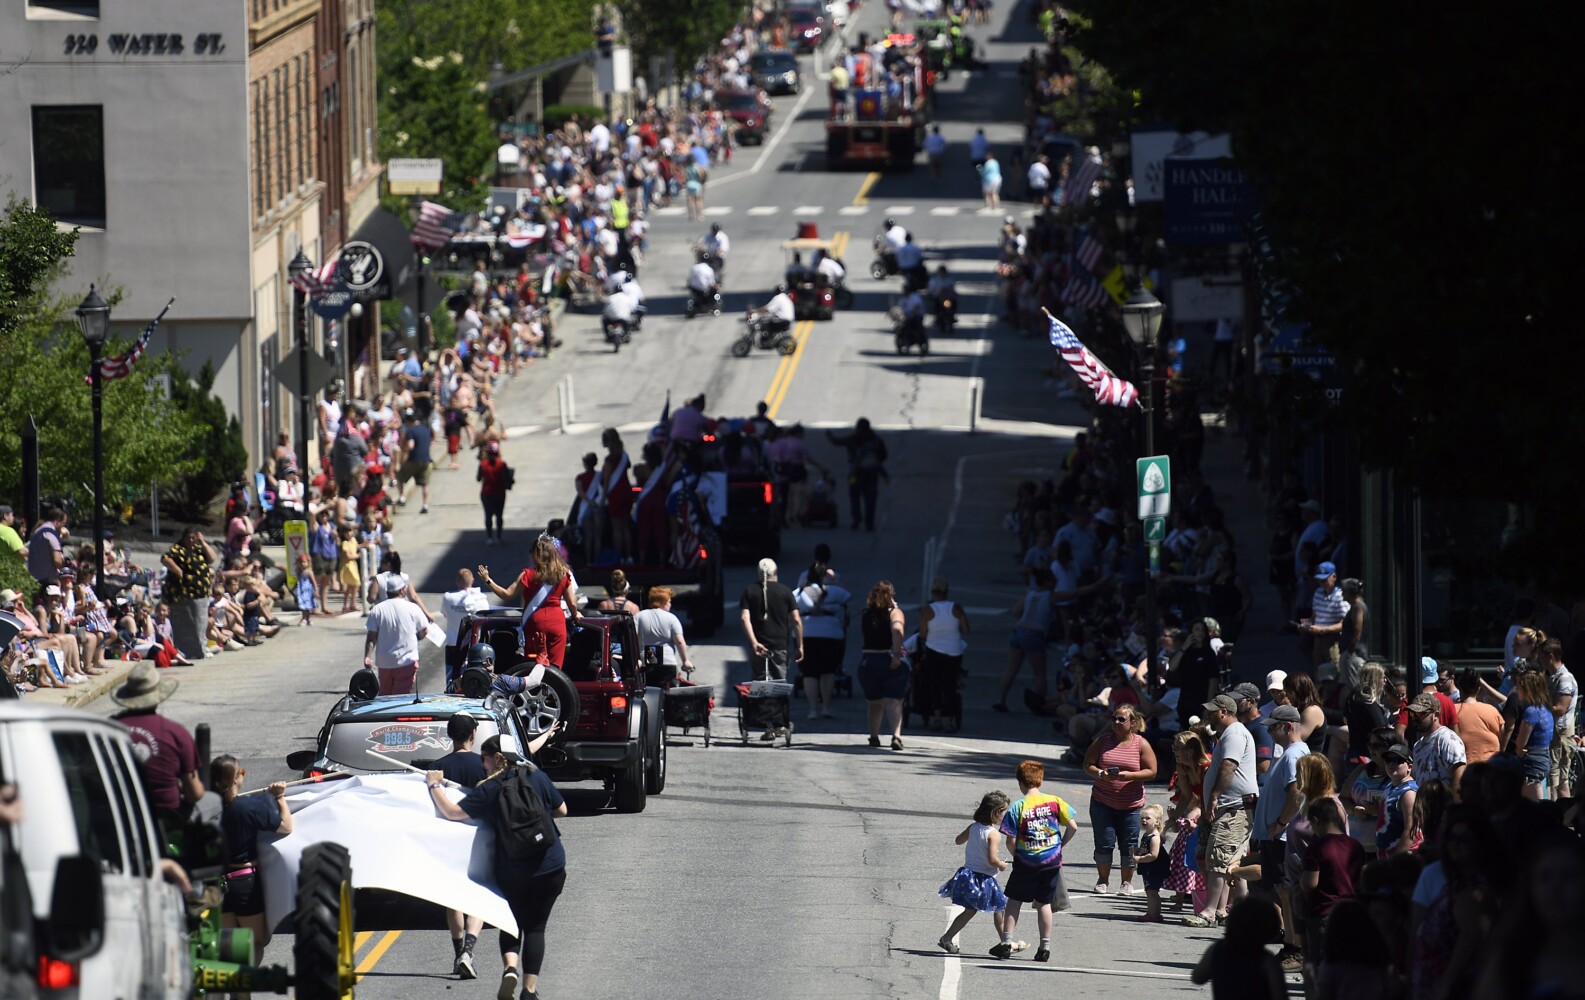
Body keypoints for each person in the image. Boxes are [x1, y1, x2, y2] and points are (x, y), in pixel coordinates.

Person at [426, 734, 568, 1000]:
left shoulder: (489, 788)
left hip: (513, 870)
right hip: (550, 865)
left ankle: (510, 969)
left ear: (497, 758)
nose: (482, 764)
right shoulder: (535, 775)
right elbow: (562, 810)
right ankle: (529, 990)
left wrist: (434, 785)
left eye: (485, 758)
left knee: (511, 923)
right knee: (536, 928)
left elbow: (452, 813)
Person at [208, 755, 291, 964]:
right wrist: (280, 797)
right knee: (256, 941)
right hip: (244, 881)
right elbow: (286, 827)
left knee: (228, 942)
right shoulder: (248, 807)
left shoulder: (208, 810)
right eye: (241, 773)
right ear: (236, 778)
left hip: (217, 882)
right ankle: (242, 988)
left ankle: (233, 988)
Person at [993, 760, 1078, 964]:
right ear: (1041, 780)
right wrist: (1058, 846)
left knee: (1014, 900)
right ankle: (1044, 947)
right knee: (1044, 903)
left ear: (1021, 783)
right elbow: (1073, 826)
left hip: (1026, 861)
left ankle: (1006, 942)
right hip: (1051, 861)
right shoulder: (1055, 801)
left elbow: (1010, 839)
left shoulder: (1018, 807)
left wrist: (1017, 855)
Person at [1185, 694, 1257, 927]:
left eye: (1212, 711)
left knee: (1221, 859)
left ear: (1224, 712)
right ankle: (1228, 911)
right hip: (1224, 808)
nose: (1208, 715)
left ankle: (1210, 912)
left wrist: (1214, 796)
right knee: (1218, 859)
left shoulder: (1235, 734)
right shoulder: (1230, 734)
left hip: (1233, 808)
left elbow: (1229, 766)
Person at [429, 715, 488, 978]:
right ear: (473, 735)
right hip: (480, 838)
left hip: (449, 840)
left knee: (454, 898)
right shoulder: (485, 766)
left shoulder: (436, 769)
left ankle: (458, 953)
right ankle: (469, 951)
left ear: (449, 736)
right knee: (479, 896)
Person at [1252, 705, 1310, 970]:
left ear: (1288, 726)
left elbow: (1296, 792)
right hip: (1276, 835)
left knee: (1286, 894)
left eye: (1274, 727)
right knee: (1282, 893)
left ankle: (1295, 949)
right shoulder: (1288, 753)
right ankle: (1292, 944)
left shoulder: (1294, 754)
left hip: (1283, 836)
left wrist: (1280, 823)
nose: (1270, 732)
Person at [1082, 703, 1158, 894]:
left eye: (1121, 719)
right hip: (1102, 802)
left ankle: (1126, 882)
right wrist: (1101, 774)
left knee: (1129, 844)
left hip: (1131, 805)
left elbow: (1152, 771)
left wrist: (1129, 776)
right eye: (1114, 718)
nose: (1116, 722)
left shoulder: (1141, 743)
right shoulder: (1102, 741)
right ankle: (1102, 880)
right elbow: (1087, 765)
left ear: (1132, 723)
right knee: (1104, 843)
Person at [112, 661, 204, 817]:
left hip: (120, 816)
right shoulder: (175, 732)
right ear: (157, 695)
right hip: (166, 818)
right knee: (213, 801)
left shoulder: (108, 730)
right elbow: (194, 793)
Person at [478, 535, 582, 669]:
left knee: (534, 666)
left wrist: (488, 580)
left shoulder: (527, 574)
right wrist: (575, 614)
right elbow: (572, 603)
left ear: (535, 555)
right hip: (557, 622)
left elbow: (507, 594)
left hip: (534, 623)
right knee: (556, 668)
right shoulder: (563, 574)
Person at [937, 791, 1011, 953]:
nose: (1005, 815)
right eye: (1005, 811)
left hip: (967, 874)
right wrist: (1001, 864)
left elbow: (958, 840)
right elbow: (992, 859)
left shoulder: (974, 827)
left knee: (972, 910)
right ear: (996, 812)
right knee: (999, 908)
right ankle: (1005, 942)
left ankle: (947, 938)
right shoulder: (994, 834)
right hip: (983, 878)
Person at [1190, 896, 1286, 999]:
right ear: (1271, 930)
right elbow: (1280, 995)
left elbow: (1197, 978)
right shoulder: (1267, 960)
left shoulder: (1217, 949)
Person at [793, 561, 851, 720]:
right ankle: (826, 707)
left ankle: (812, 709)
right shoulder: (834, 591)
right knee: (828, 671)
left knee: (809, 673)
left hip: (807, 634)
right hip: (831, 634)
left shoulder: (799, 593)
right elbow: (848, 596)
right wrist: (834, 580)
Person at [994, 568, 1054, 711]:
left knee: (1011, 668)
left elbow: (1016, 611)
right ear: (1047, 581)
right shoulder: (1051, 596)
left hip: (1019, 629)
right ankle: (1040, 703)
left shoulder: (1030, 593)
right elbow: (1073, 594)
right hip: (1034, 633)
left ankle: (1001, 699)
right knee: (1039, 672)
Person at [858, 581, 908, 750]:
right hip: (887, 658)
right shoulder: (894, 613)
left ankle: (874, 736)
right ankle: (896, 736)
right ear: (890, 596)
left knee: (874, 702)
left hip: (868, 661)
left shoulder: (866, 614)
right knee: (894, 701)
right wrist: (896, 654)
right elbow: (897, 630)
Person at [916, 577, 970, 731]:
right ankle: (950, 719)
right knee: (950, 684)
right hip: (954, 651)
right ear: (946, 592)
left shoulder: (927, 610)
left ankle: (937, 717)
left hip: (934, 650)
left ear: (932, 592)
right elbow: (966, 630)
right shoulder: (956, 608)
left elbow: (923, 634)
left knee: (934, 683)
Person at [740, 557, 802, 690]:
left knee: (759, 683)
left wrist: (754, 642)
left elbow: (745, 618)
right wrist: (800, 645)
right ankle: (778, 710)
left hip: (758, 645)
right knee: (779, 683)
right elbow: (796, 619)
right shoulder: (785, 591)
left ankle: (760, 709)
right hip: (780, 645)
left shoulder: (749, 591)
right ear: (775, 572)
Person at [363, 576, 432, 694]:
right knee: (401, 698)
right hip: (406, 661)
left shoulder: (377, 609)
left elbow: (371, 637)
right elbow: (424, 631)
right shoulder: (413, 608)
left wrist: (367, 657)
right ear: (401, 590)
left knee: (385, 696)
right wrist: (412, 638)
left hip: (384, 662)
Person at [162, 525, 218, 658]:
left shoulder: (199, 549)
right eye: (190, 538)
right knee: (188, 624)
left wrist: (203, 542)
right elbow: (165, 558)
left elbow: (212, 558)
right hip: (184, 593)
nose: (192, 540)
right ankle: (189, 651)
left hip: (201, 593)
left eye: (194, 538)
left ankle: (200, 649)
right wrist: (178, 571)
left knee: (200, 623)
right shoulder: (178, 549)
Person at [826, 418, 888, 532]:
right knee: (871, 497)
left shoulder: (852, 438)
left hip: (855, 471)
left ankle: (856, 519)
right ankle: (869, 523)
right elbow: (884, 455)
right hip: (872, 471)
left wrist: (829, 435)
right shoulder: (876, 439)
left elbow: (837, 442)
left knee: (854, 495)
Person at [1502, 669, 1554, 798]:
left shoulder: (1531, 712)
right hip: (1544, 756)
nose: (1516, 689)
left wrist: (1519, 748)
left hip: (1532, 762)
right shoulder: (1545, 708)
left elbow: (1521, 742)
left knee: (1534, 805)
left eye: (1519, 686)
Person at [1407, 691, 1466, 796]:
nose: (1414, 718)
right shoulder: (1418, 745)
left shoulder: (1447, 739)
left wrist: (1451, 808)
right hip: (1426, 808)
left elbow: (1459, 779)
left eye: (1420, 713)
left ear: (1436, 715)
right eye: (1412, 713)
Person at [441, 568, 490, 690]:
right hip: (475, 646)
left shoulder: (448, 598)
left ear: (458, 581)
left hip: (454, 645)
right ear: (472, 580)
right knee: (476, 680)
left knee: (452, 681)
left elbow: (444, 613)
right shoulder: (481, 599)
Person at [633, 586, 693, 685]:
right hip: (667, 663)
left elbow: (633, 638)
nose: (670, 605)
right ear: (663, 602)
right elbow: (679, 641)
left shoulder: (639, 616)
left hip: (646, 662)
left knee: (648, 691)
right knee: (667, 693)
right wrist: (685, 660)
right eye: (669, 602)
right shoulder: (671, 618)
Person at [1301, 560, 1346, 673]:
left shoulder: (1340, 596)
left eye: (1325, 580)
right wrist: (1306, 625)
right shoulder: (1318, 593)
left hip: (1333, 640)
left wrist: (1323, 629)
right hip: (1318, 639)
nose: (1322, 583)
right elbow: (1314, 617)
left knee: (1334, 671)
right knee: (1318, 669)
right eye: (1320, 581)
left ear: (1334, 577)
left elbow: (1344, 624)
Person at [1376, 743, 1419, 855]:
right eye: (1388, 760)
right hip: (1387, 857)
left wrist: (1398, 859)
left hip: (1403, 859)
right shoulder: (1390, 786)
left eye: (1397, 760)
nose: (1391, 764)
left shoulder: (1409, 792)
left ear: (1409, 766)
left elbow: (1411, 829)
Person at [1132, 803, 1171, 922]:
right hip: (1149, 867)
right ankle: (1154, 913)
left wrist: (1139, 859)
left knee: (1152, 892)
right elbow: (1146, 849)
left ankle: (1153, 914)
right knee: (1150, 891)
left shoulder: (1154, 837)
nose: (1144, 820)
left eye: (1148, 818)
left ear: (1157, 822)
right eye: (1142, 818)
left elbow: (1154, 855)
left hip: (1154, 868)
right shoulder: (1146, 834)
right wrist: (1138, 851)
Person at [396, 409, 435, 514]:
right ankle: (425, 505)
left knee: (399, 477)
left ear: (409, 421)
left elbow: (411, 445)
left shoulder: (411, 430)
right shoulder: (426, 429)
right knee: (425, 484)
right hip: (426, 460)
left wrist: (404, 451)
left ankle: (402, 498)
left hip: (414, 460)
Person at [478, 440, 510, 545]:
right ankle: (499, 537)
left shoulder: (482, 464)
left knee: (488, 515)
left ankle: (489, 537)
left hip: (486, 493)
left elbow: (478, 478)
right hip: (499, 493)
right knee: (499, 515)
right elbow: (507, 478)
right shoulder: (502, 464)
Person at [293, 553, 317, 626]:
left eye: (304, 562)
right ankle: (304, 618)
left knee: (308, 605)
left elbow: (314, 582)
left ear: (308, 562)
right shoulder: (299, 572)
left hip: (308, 591)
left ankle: (307, 618)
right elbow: (298, 581)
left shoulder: (309, 572)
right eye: (300, 562)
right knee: (303, 605)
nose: (302, 564)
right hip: (302, 591)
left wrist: (316, 590)